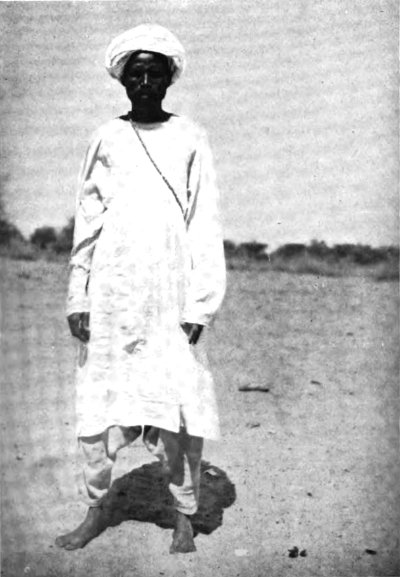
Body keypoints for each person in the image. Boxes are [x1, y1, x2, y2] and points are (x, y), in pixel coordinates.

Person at [55, 24, 226, 554]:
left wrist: (200, 304)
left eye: (155, 73)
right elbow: (88, 219)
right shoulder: (105, 137)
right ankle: (95, 508)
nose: (146, 82)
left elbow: (204, 222)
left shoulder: (190, 137)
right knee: (100, 403)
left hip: (169, 291)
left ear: (169, 78)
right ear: (123, 79)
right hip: (112, 289)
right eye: (137, 73)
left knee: (175, 403)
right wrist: (79, 294)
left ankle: (184, 515)